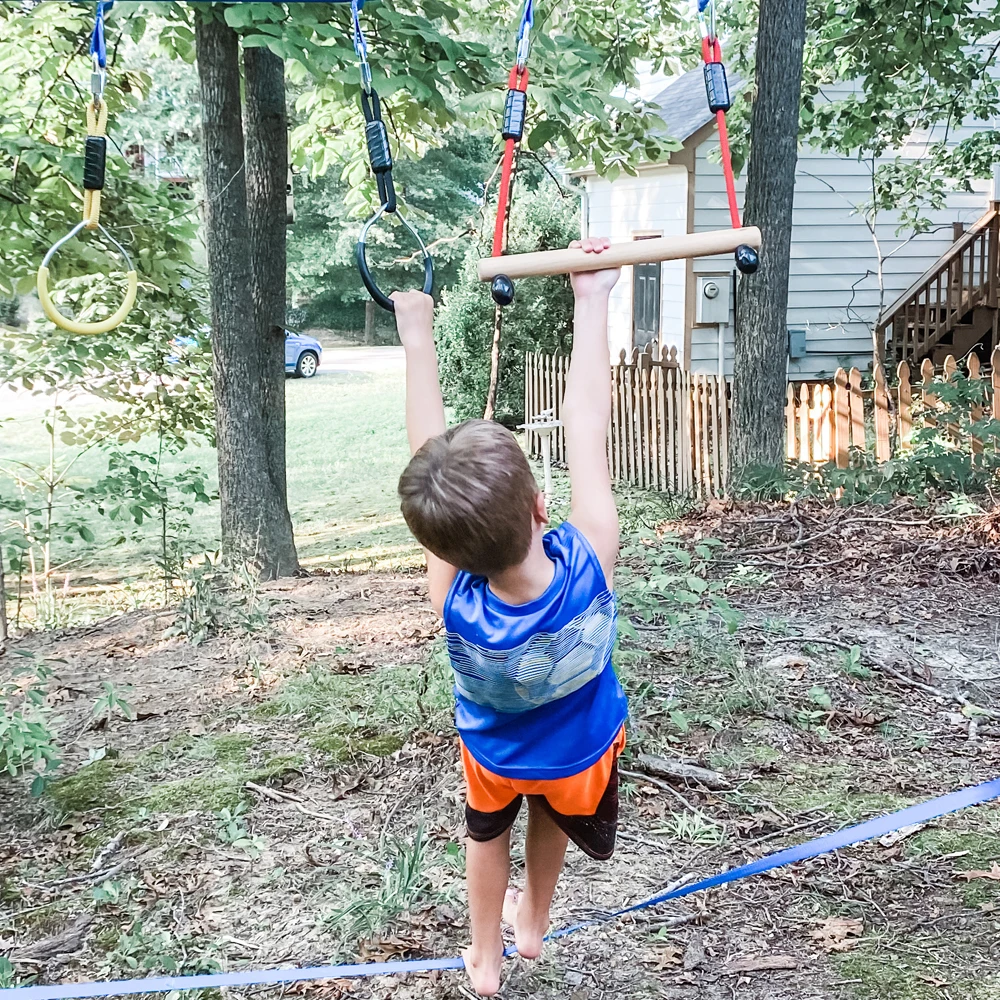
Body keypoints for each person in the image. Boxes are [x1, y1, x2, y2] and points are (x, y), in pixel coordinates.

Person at [393, 238, 626, 997]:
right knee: (553, 813)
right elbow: (586, 421)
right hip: (582, 748)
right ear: (540, 507)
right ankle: (534, 924)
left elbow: (424, 448)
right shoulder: (589, 555)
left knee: (485, 834)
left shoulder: (451, 593)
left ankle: (486, 957)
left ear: (437, 543)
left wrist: (416, 338)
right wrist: (591, 299)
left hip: (492, 756)